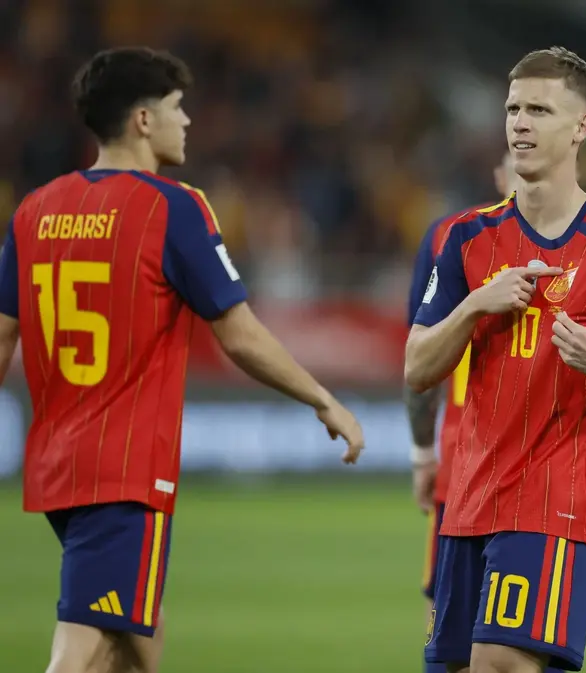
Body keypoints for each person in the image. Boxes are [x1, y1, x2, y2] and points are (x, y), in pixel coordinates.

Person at [0, 47, 364, 673]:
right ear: (144, 120)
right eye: (177, 107)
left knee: (139, 633)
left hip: (57, 463)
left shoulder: (35, 210)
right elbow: (240, 336)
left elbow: (3, 336)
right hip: (124, 468)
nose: (188, 120)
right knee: (83, 646)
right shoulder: (172, 208)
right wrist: (323, 398)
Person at [406, 46, 586, 673]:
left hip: (551, 504)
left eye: (539, 110)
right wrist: (474, 307)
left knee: (501, 662)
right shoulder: (467, 238)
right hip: (467, 504)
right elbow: (417, 367)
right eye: (513, 108)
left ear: (581, 127)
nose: (520, 123)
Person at [406, 152, 559, 673]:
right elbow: (419, 354)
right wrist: (424, 452)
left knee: (506, 649)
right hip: (474, 472)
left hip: (530, 482)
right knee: (458, 643)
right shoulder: (451, 237)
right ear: (498, 173)